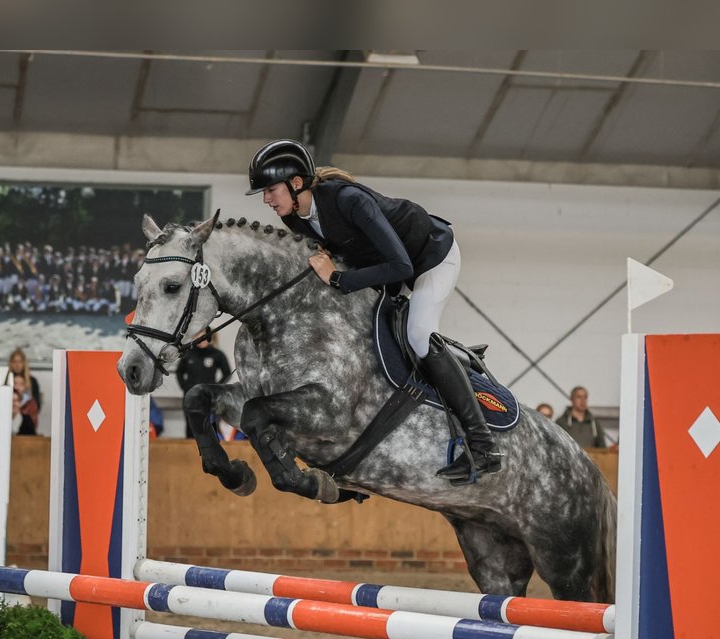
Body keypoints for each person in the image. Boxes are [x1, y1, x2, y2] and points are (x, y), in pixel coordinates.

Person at [248, 138, 500, 484]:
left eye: (270, 190)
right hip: (385, 268)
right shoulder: (298, 218)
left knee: (418, 335)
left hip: (429, 259)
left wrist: (337, 278)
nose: (266, 199)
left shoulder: (349, 201)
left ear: (295, 184)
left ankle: (483, 445)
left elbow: (400, 265)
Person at [555, 386, 607, 450]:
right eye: (579, 397)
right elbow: (556, 445)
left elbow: (603, 448)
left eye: (585, 397)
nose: (583, 401)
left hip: (590, 459)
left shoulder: (594, 423)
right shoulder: (561, 422)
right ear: (572, 399)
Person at [7, 348, 42, 418]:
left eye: (20, 362)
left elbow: (37, 405)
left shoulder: (32, 381)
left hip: (27, 419)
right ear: (11, 363)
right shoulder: (6, 381)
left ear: (24, 363)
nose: (17, 365)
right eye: (14, 362)